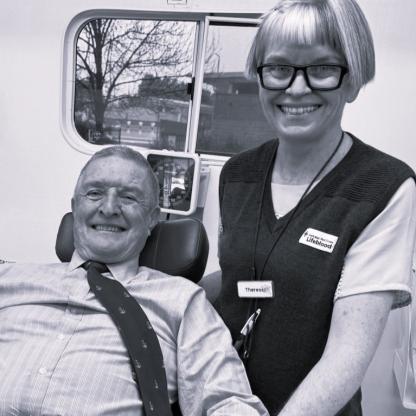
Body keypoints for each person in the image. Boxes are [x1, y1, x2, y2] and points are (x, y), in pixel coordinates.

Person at [213, 1, 416, 415]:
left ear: (353, 80)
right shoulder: (237, 174)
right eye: (279, 69)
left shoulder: (384, 186)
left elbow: (346, 354)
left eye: (322, 69)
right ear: (260, 76)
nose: (297, 88)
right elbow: (243, 280)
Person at [0, 146, 268, 416]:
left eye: (128, 197)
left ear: (152, 218)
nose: (108, 208)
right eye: (94, 193)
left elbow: (227, 400)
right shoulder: (12, 278)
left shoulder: (183, 302)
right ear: (74, 206)